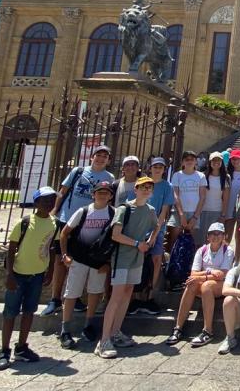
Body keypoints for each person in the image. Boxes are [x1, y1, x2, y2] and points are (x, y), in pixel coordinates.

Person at [42, 145, 114, 316]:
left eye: (104, 156)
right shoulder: (78, 171)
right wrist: (55, 210)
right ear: (92, 157)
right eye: (98, 155)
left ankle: (75, 298)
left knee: (81, 261)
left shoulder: (109, 177)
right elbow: (63, 191)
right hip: (67, 218)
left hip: (88, 223)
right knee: (61, 260)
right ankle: (55, 299)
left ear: (108, 160)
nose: (101, 158)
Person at [96, 177, 159, 359]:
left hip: (137, 258)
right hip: (121, 258)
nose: (146, 190)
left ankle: (115, 331)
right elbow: (115, 235)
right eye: (143, 187)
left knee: (127, 294)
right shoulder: (124, 209)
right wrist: (138, 243)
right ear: (136, 189)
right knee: (116, 296)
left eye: (149, 187)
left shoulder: (150, 210)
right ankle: (104, 339)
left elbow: (156, 226)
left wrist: (150, 241)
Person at [0, 187, 57, 370]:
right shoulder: (24, 222)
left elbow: (51, 248)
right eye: (45, 201)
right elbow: (11, 250)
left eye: (51, 201)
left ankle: (22, 347)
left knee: (29, 311)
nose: (48, 204)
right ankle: (4, 350)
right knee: (10, 312)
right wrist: (9, 274)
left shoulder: (54, 224)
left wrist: (50, 271)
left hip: (38, 274)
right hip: (18, 274)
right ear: (36, 202)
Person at [57, 181, 114, 349]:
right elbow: (64, 233)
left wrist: (108, 262)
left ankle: (88, 324)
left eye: (106, 192)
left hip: (99, 260)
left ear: (111, 196)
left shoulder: (113, 213)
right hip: (79, 257)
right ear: (93, 194)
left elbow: (114, 239)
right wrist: (65, 255)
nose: (102, 195)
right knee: (72, 293)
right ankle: (65, 329)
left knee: (95, 292)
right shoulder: (83, 211)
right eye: (99, 192)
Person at [166, 221, 234, 346]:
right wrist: (210, 272)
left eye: (219, 233)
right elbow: (193, 274)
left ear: (223, 236)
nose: (215, 236)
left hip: (221, 284)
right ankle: (178, 328)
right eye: (212, 233)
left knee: (206, 286)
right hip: (206, 281)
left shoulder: (228, 250)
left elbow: (223, 274)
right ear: (208, 236)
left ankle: (208, 331)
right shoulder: (202, 250)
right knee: (191, 284)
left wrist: (202, 276)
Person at [132, 157, 174, 315]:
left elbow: (164, 211)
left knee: (156, 260)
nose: (157, 169)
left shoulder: (167, 186)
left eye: (160, 167)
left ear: (164, 169)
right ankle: (136, 297)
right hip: (140, 228)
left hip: (157, 228)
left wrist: (155, 234)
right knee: (138, 260)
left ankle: (150, 296)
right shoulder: (142, 183)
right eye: (155, 166)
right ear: (150, 168)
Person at [170, 151, 207, 251]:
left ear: (196, 161)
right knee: (173, 241)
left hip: (194, 212)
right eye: (187, 159)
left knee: (191, 242)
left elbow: (203, 197)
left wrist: (195, 217)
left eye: (192, 159)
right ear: (182, 162)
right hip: (178, 212)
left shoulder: (201, 176)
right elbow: (175, 195)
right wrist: (181, 215)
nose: (189, 161)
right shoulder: (177, 175)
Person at [201, 151, 230, 243]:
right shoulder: (203, 176)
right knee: (200, 240)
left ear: (222, 162)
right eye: (214, 160)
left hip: (216, 212)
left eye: (218, 160)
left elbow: (225, 199)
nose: (216, 162)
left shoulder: (225, 177)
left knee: (213, 241)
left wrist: (223, 215)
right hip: (202, 211)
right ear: (210, 162)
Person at [223, 149, 240, 243]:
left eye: (238, 159)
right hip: (229, 206)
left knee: (239, 237)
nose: (235, 161)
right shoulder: (226, 173)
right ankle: (225, 252)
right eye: (233, 159)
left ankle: (238, 254)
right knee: (226, 236)